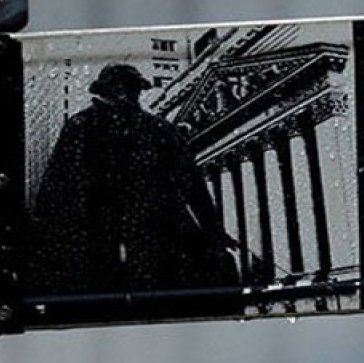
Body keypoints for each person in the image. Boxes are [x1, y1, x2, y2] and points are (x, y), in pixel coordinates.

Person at [29, 64, 239, 294]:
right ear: (111, 90)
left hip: (135, 234)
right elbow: (56, 185)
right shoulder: (92, 127)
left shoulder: (150, 128)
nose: (132, 95)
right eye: (127, 88)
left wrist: (213, 230)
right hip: (117, 234)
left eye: (134, 89)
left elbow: (192, 183)